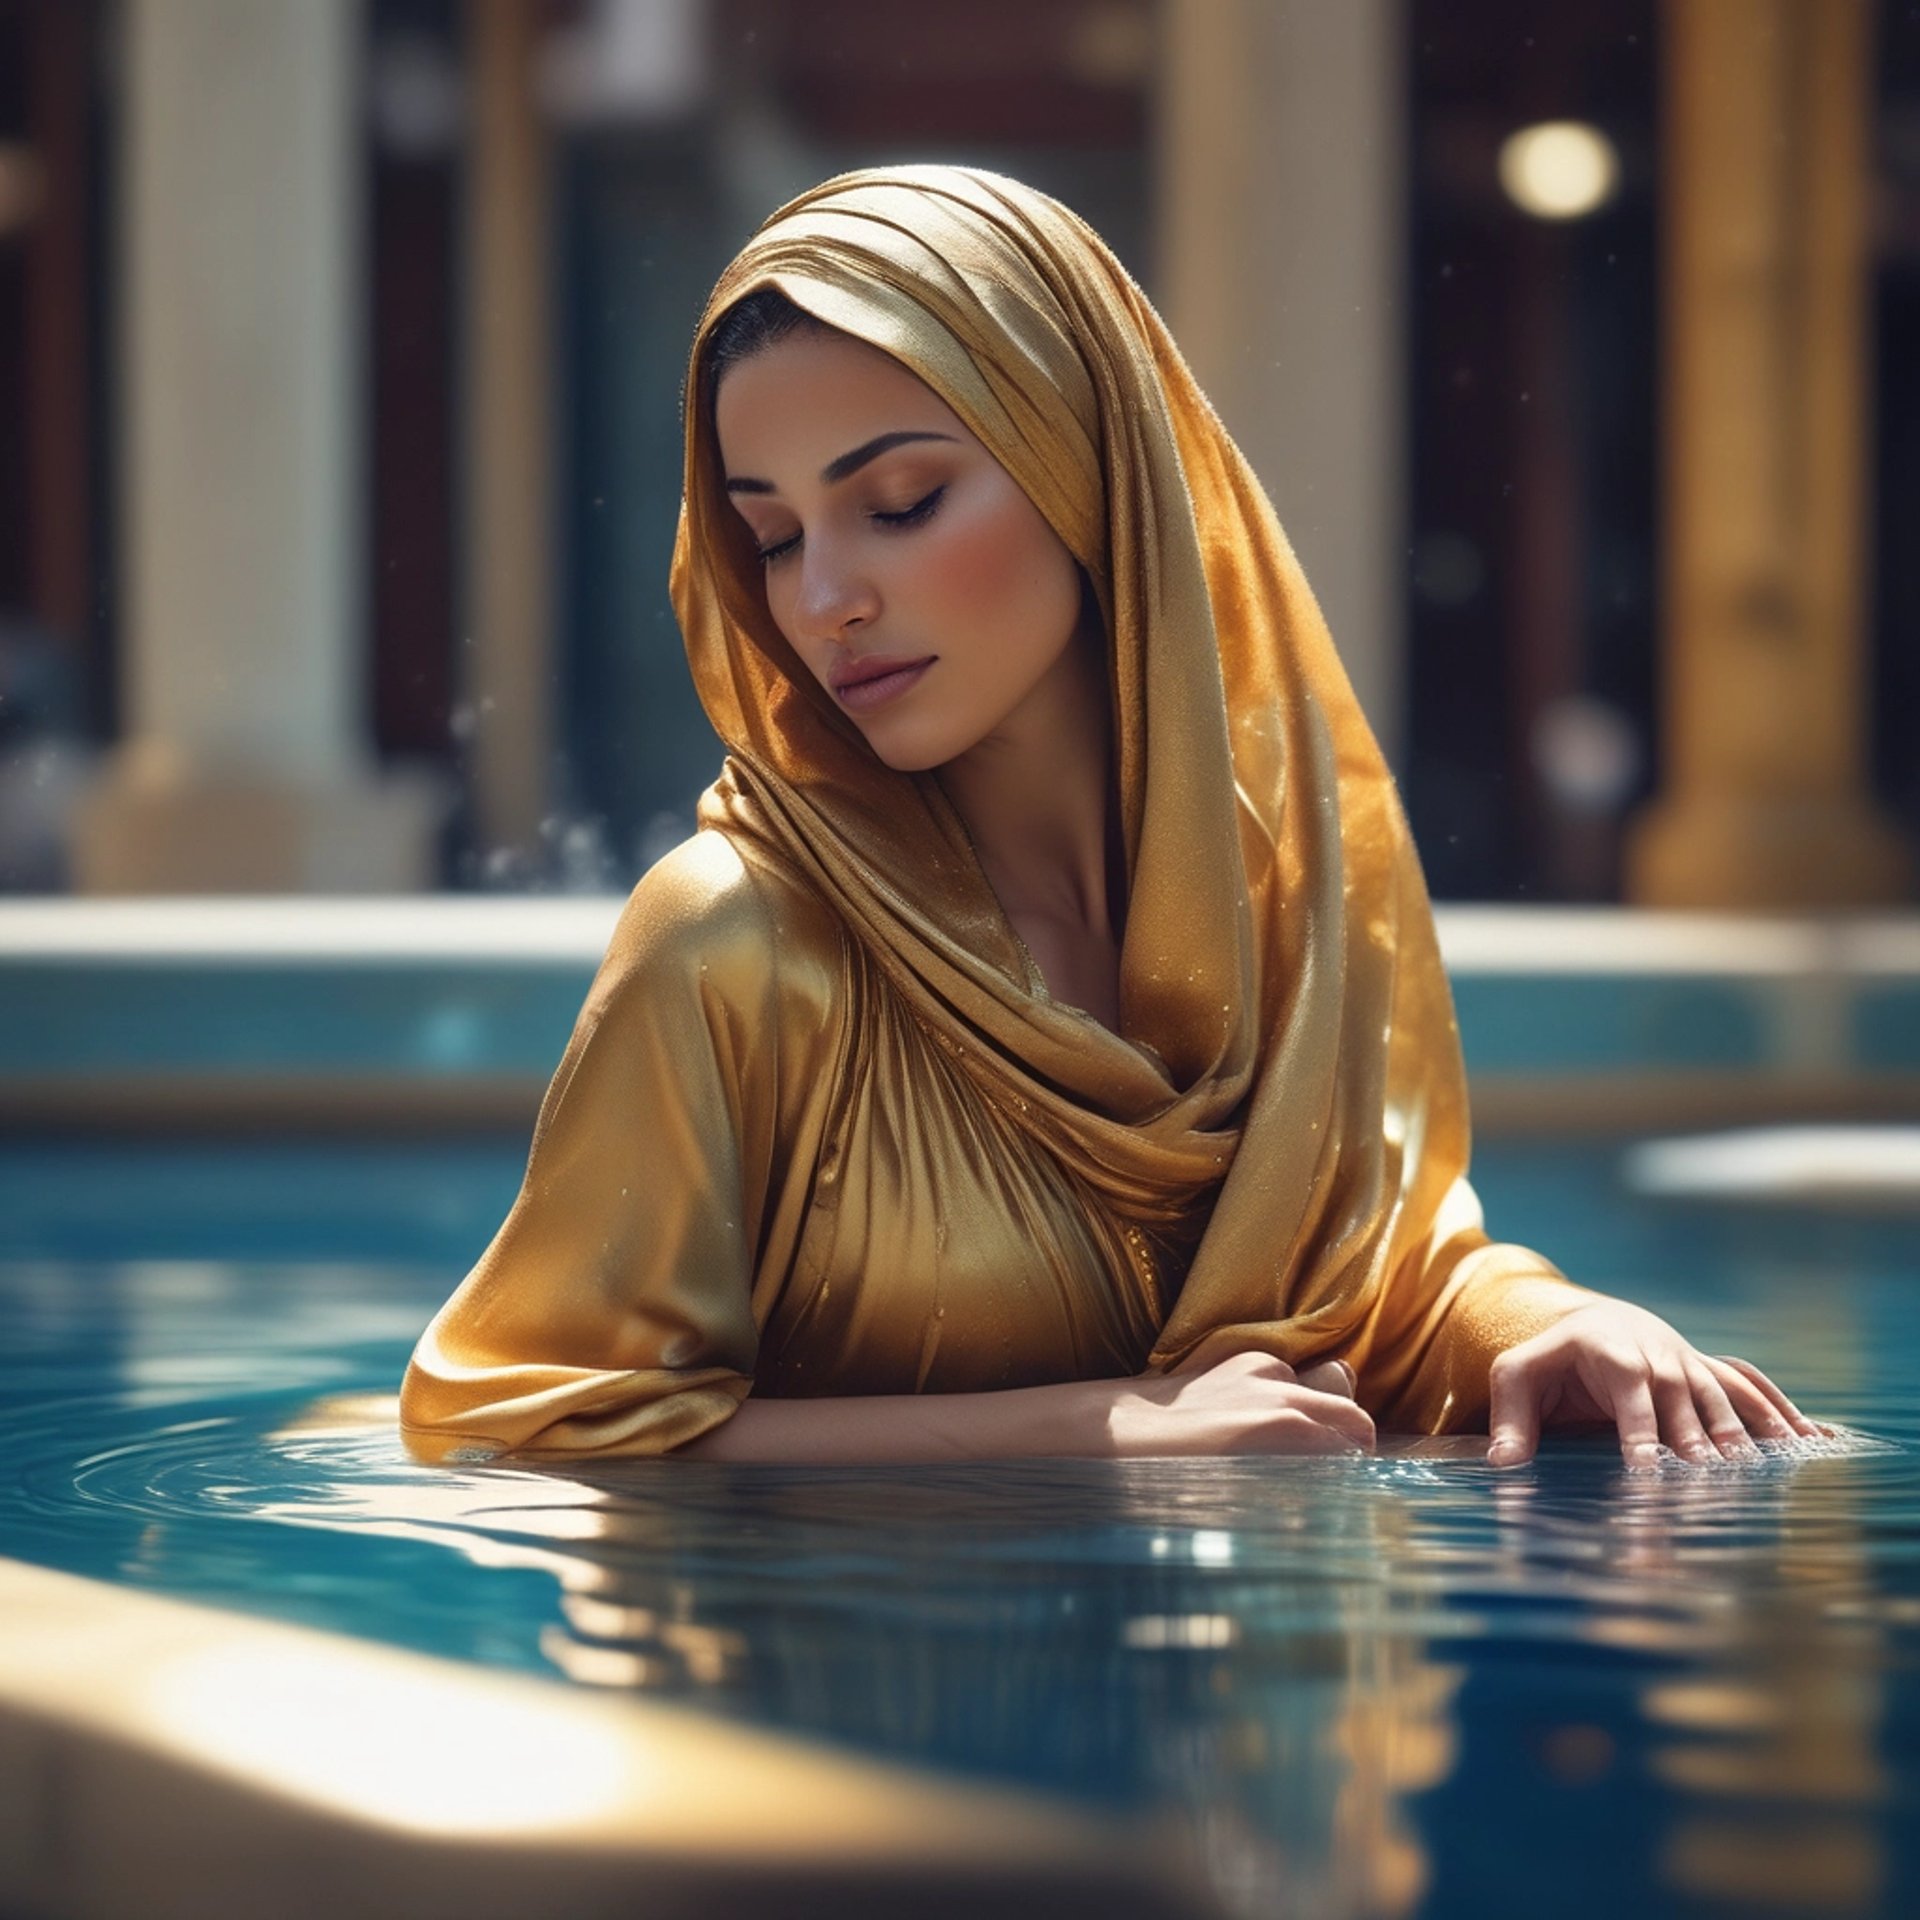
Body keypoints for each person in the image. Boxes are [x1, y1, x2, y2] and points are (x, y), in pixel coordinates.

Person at [399, 164, 1815, 1472]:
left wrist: (1534, 1324)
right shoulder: (735, 940)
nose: (823, 596)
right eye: (770, 537)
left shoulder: (1275, 914)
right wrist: (1099, 1425)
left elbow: (1369, 1279)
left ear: (1090, 469)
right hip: (844, 1724)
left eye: (900, 502)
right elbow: (515, 1426)